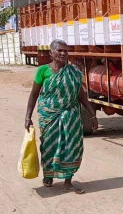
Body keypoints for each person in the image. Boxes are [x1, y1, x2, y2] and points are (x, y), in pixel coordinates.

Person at [24, 39, 98, 194]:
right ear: (51, 53)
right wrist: (28, 116)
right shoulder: (42, 71)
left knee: (71, 147)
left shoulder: (74, 73)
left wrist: (92, 115)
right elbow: (34, 95)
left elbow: (82, 96)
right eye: (60, 50)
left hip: (70, 117)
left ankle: (68, 182)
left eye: (66, 50)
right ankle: (48, 175)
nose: (63, 53)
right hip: (48, 116)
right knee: (48, 146)